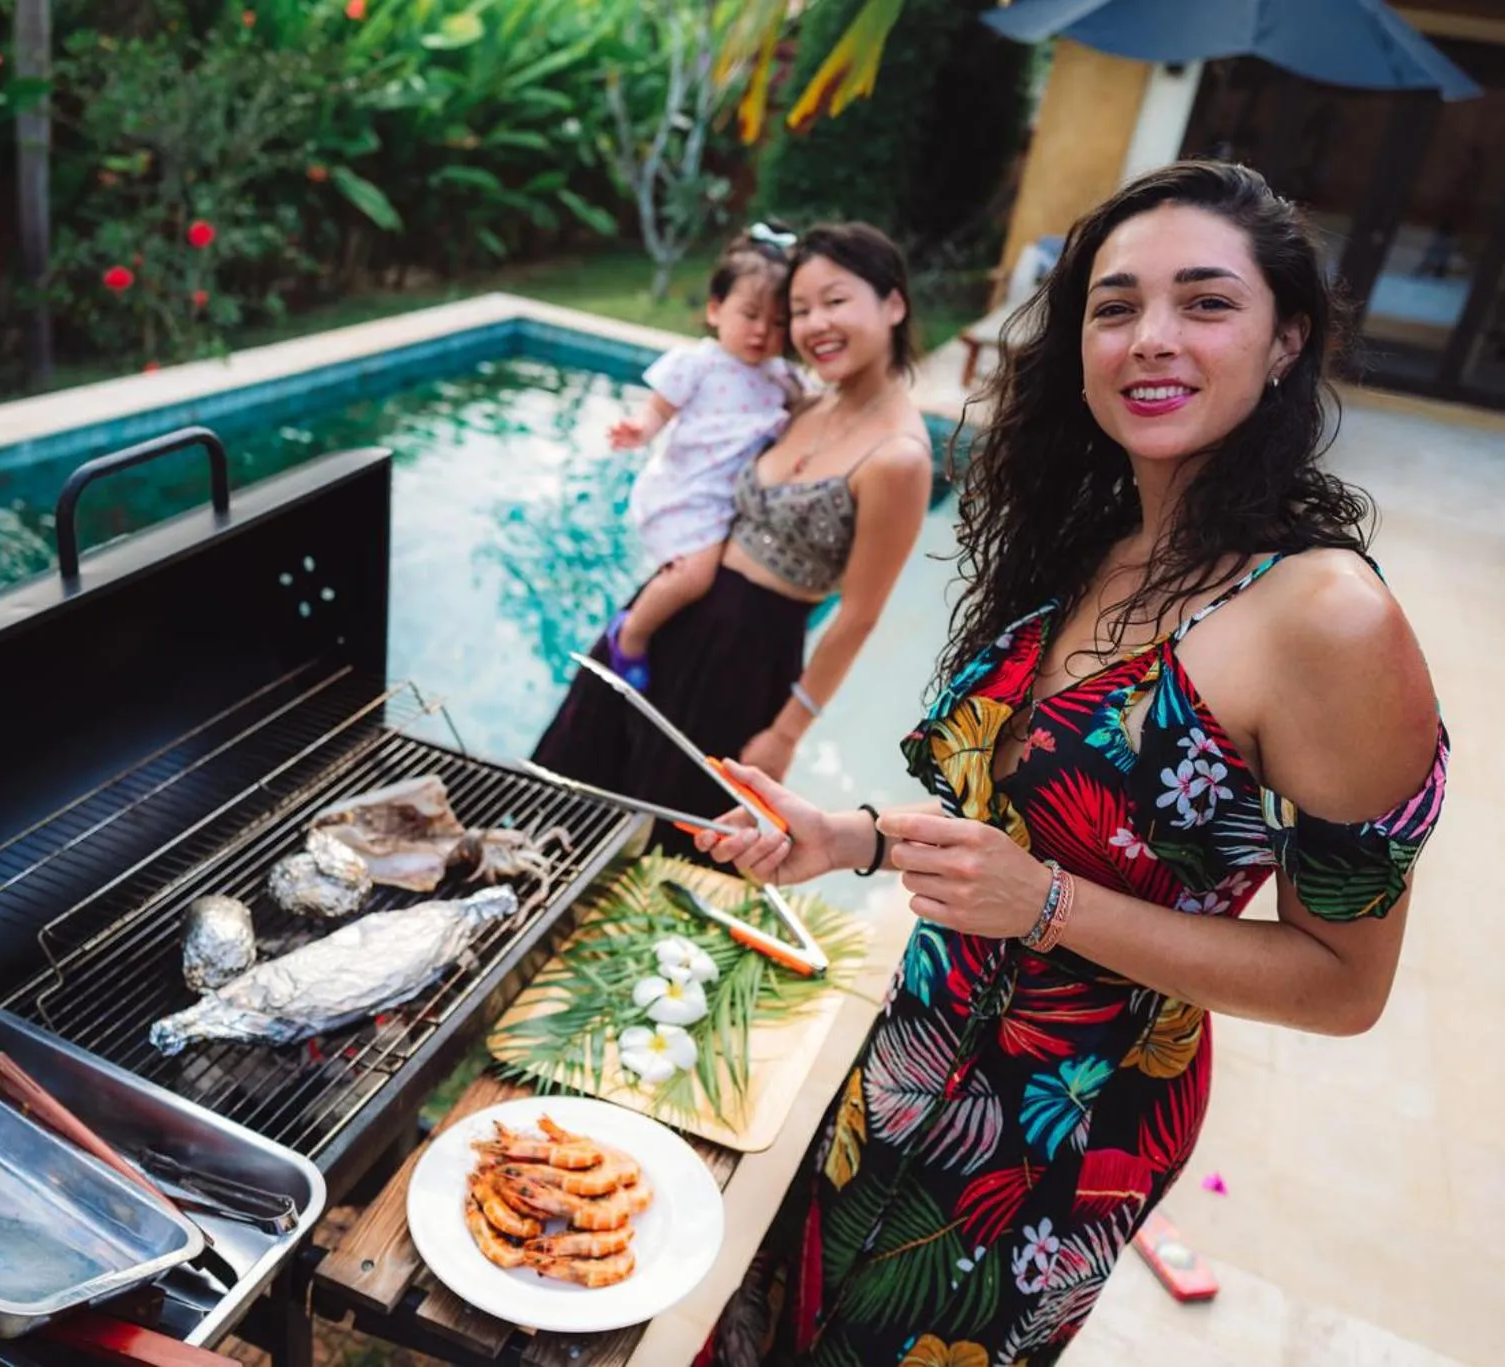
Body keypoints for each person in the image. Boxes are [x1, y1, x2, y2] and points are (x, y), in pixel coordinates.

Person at [693, 161, 1449, 1365]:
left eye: (1204, 302)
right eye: (1113, 305)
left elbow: (1340, 981)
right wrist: (856, 837)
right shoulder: (1091, 538)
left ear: (1283, 340)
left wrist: (1042, 904)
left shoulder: (1324, 619)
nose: (1150, 338)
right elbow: (1024, 809)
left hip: (1060, 1130)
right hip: (910, 1043)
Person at [531, 222, 933, 841]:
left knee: (675, 839)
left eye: (834, 301)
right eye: (799, 309)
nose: (813, 324)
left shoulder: (897, 459)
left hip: (745, 660)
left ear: (893, 303)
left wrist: (785, 733)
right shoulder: (801, 400)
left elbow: (857, 616)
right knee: (570, 791)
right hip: (672, 609)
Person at [605, 223, 805, 691]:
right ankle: (630, 636)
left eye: (777, 323)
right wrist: (641, 428)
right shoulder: (698, 363)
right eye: (750, 314)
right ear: (716, 310)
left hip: (726, 501)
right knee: (694, 577)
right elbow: (659, 407)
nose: (761, 331)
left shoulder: (782, 378)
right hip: (688, 492)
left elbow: (813, 411)